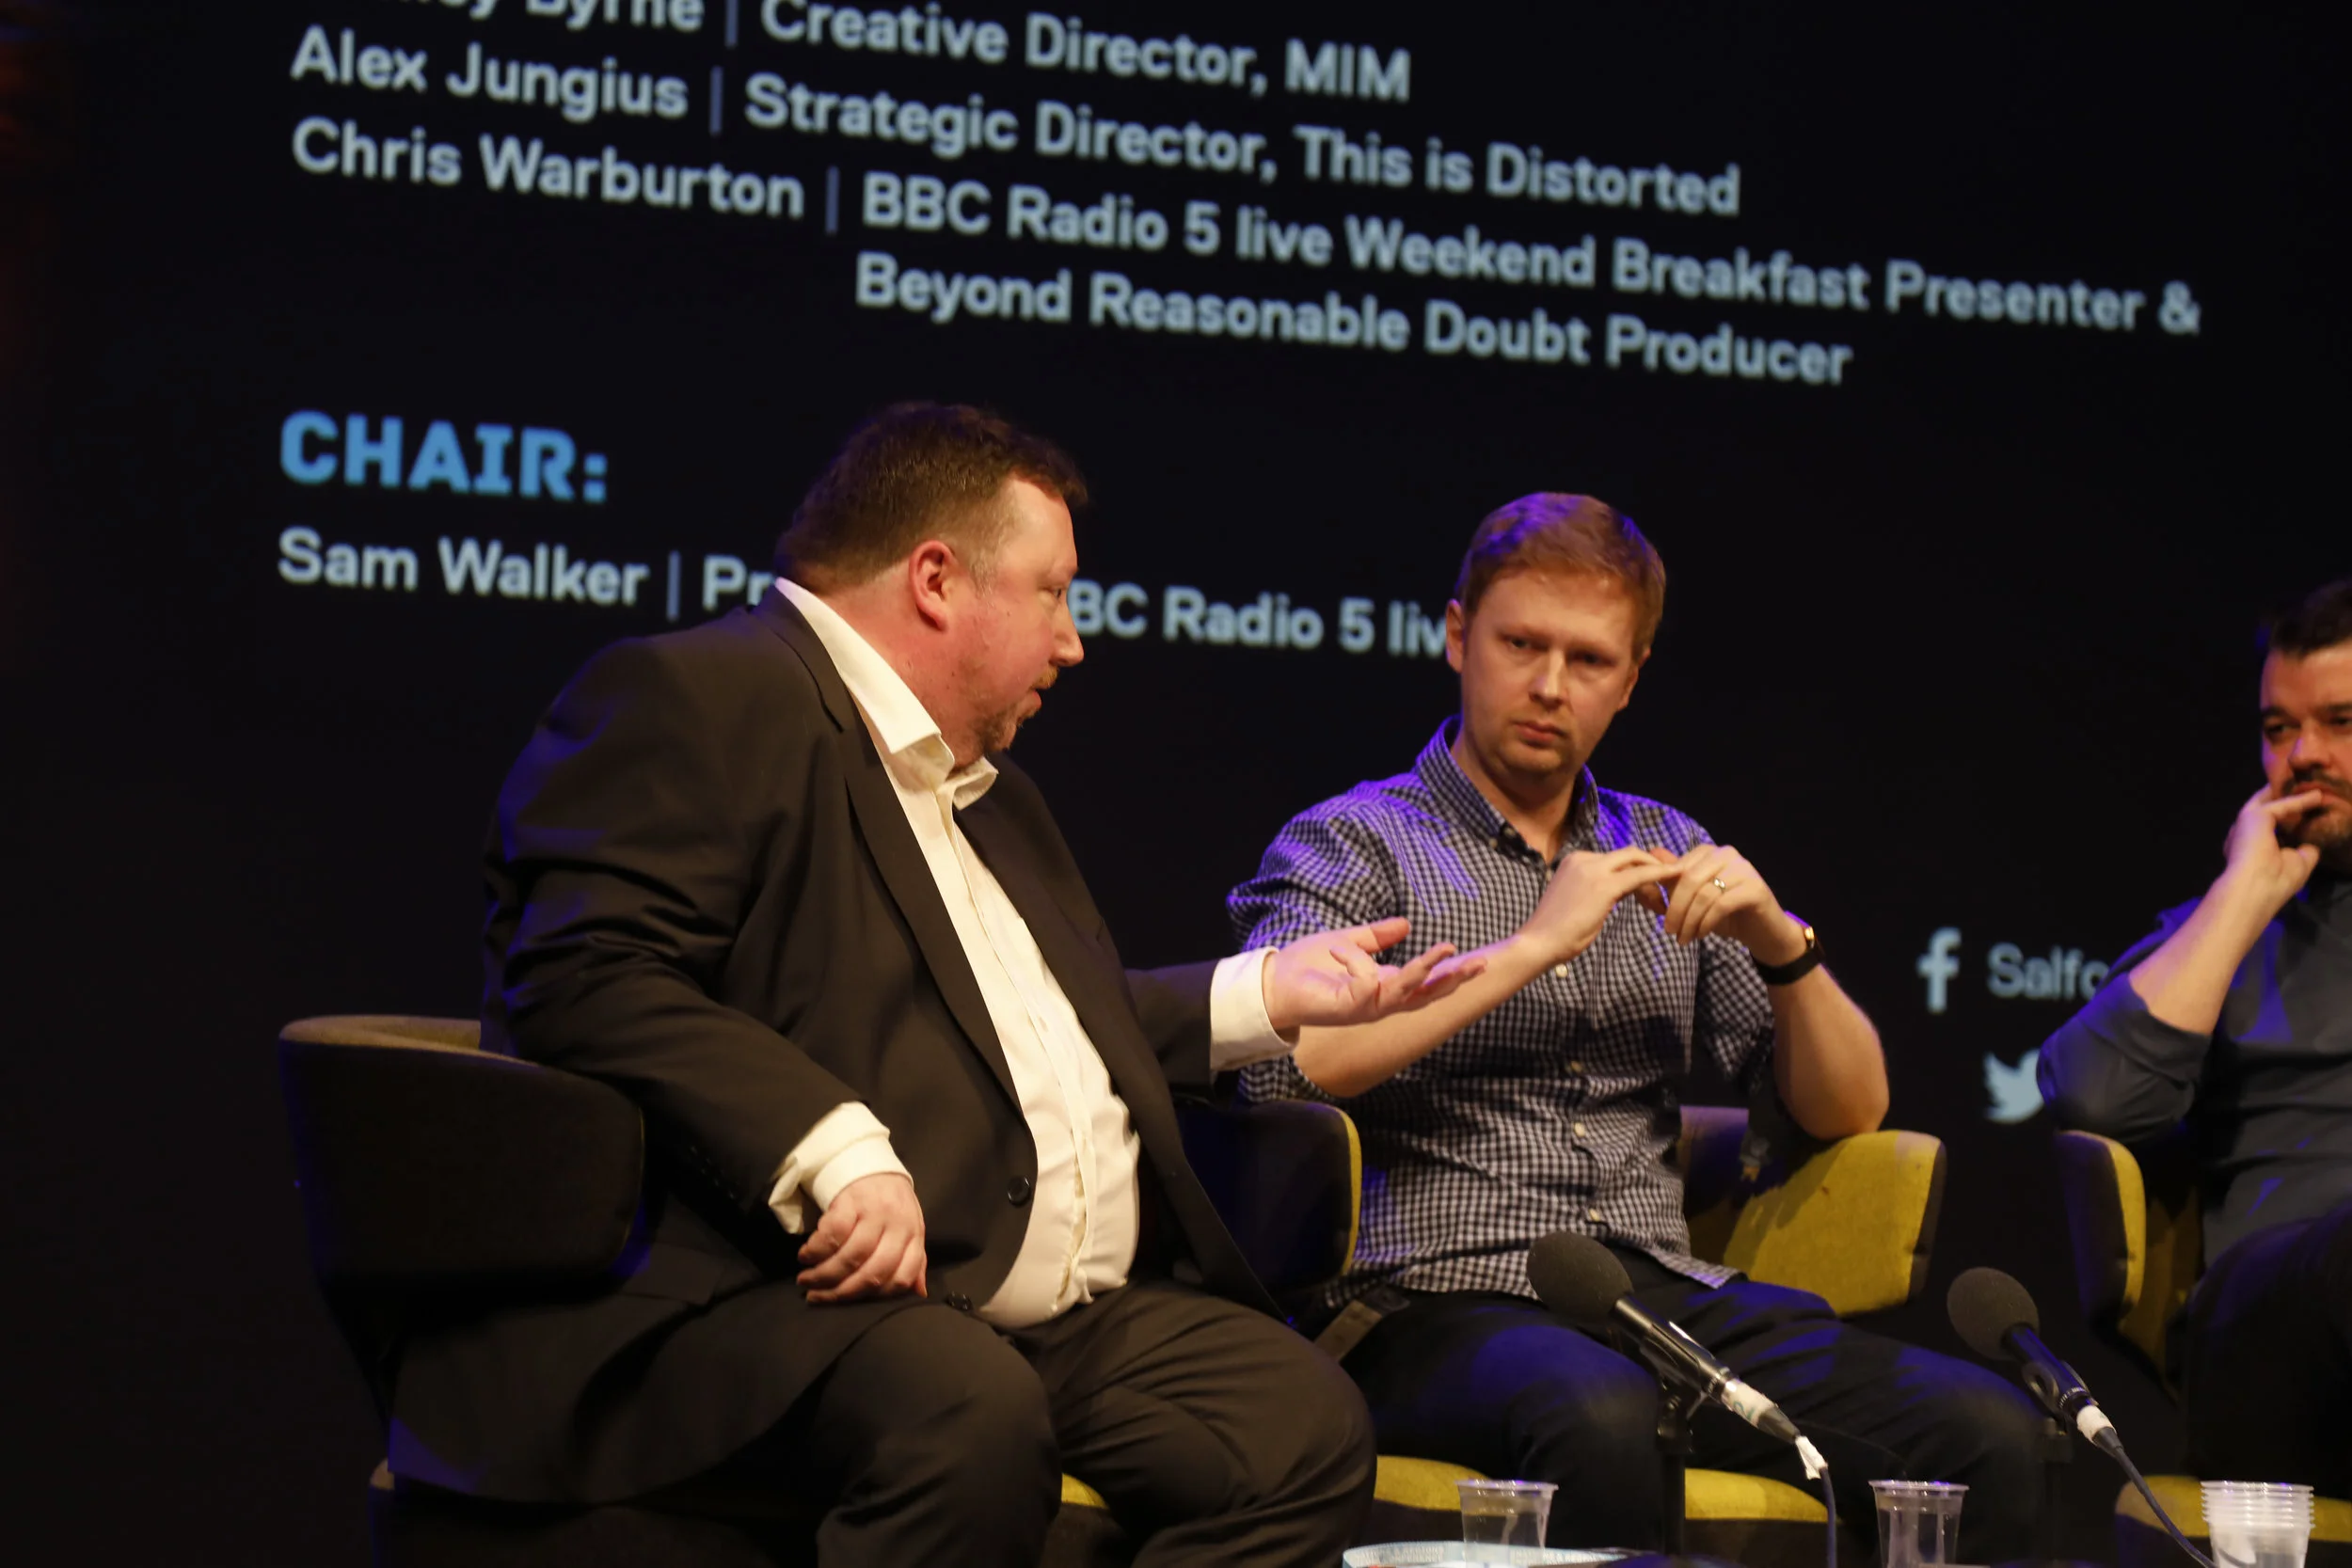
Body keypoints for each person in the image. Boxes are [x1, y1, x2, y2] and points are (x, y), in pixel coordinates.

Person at [393, 404, 1486, 1568]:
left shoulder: (987, 791)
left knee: (1293, 1423)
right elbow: (586, 972)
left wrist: (1263, 991)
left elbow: (1038, 1021)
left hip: (1029, 1317)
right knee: (965, 1410)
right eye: (1052, 592)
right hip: (762, 1298)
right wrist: (828, 1142)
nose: (1072, 641)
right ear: (934, 580)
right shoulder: (701, 693)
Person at [1232, 494, 2044, 1555]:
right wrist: (1535, 943)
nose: (1549, 685)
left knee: (1987, 1427)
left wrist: (1779, 941)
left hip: (1651, 1295)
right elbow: (1291, 1069)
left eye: (1588, 659)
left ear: (1631, 678)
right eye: (1521, 644)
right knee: (1601, 1410)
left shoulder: (1663, 844)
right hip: (1425, 1297)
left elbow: (1849, 1106)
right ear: (1457, 636)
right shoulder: (1354, 840)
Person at [2040, 577, 2352, 1495]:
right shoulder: (2228, 930)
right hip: (2275, 1331)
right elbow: (2090, 1094)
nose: (2303, 754)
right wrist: (2243, 895)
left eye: (2340, 722)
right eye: (2278, 728)